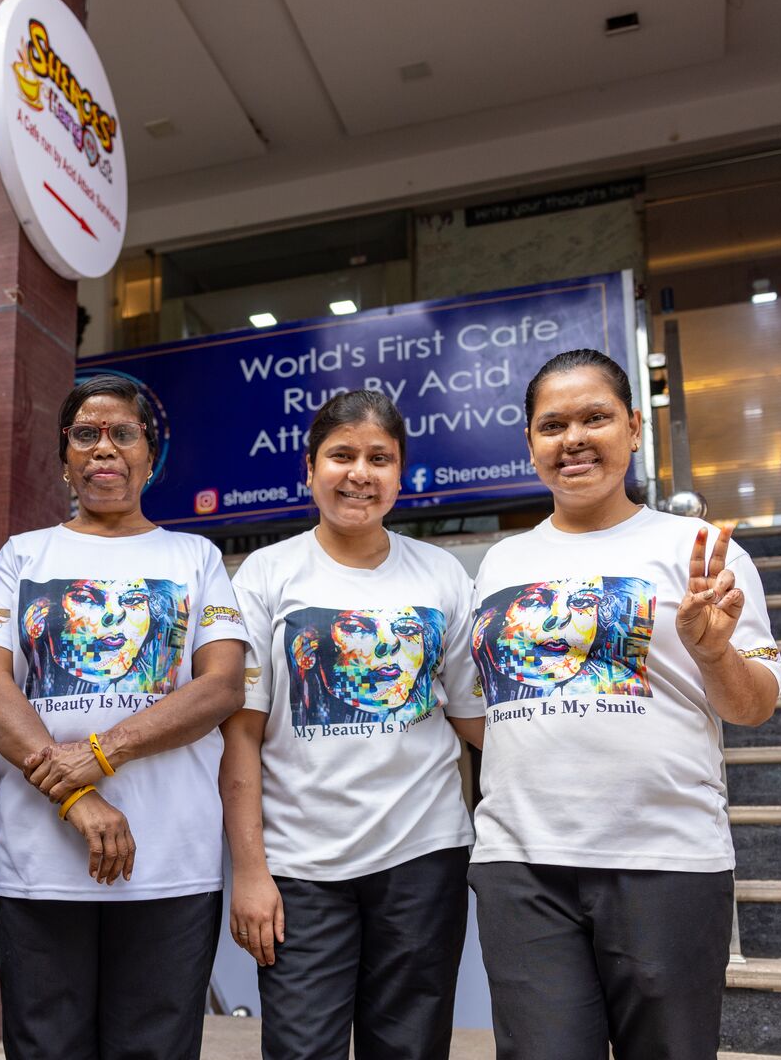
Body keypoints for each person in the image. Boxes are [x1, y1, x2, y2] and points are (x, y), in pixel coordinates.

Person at [466, 349, 781, 1060]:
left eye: (595, 418)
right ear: (530, 444)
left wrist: (712, 652)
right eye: (552, 425)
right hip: (522, 863)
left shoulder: (698, 551)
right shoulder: (499, 563)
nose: (573, 438)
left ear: (634, 429)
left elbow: (754, 706)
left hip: (665, 858)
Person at [0, 374, 249, 1060]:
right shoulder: (23, 556)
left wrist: (103, 750)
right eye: (85, 435)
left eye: (124, 433)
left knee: (154, 1049)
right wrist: (78, 797)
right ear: (64, 456)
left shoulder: (195, 558)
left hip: (173, 862)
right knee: (46, 1048)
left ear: (151, 454)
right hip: (40, 861)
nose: (104, 450)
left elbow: (222, 687)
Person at [220, 390, 484, 1060]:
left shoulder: (443, 574)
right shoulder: (265, 575)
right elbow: (241, 735)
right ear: (309, 468)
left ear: (401, 474)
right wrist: (250, 871)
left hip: (423, 855)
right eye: (341, 455)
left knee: (411, 1047)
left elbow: (473, 719)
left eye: (378, 458)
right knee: (301, 1049)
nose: (358, 473)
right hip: (301, 868)